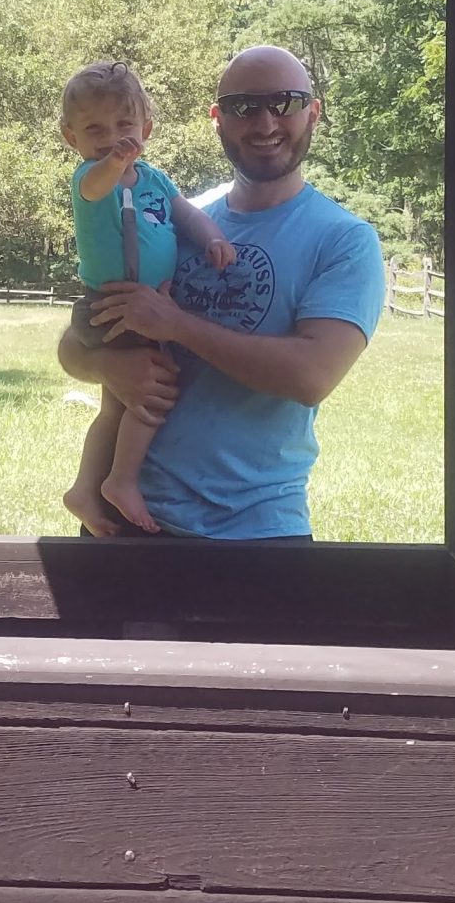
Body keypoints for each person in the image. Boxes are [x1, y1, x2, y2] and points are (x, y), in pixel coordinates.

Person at [57, 46, 385, 539]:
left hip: (254, 530)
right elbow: (71, 349)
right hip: (126, 523)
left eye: (286, 102)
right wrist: (107, 366)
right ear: (217, 119)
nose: (266, 122)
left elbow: (310, 376)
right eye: (243, 106)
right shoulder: (172, 216)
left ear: (313, 112)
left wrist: (176, 325)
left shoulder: (343, 239)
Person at [58, 61, 236, 535]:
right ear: (71, 137)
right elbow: (98, 186)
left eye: (124, 126)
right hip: (114, 305)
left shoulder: (156, 181)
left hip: (143, 308)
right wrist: (114, 162)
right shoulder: (89, 177)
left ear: (147, 130)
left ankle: (84, 488)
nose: (111, 137)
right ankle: (121, 480)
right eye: (94, 128)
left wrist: (213, 236)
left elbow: (185, 215)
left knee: (116, 404)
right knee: (157, 387)